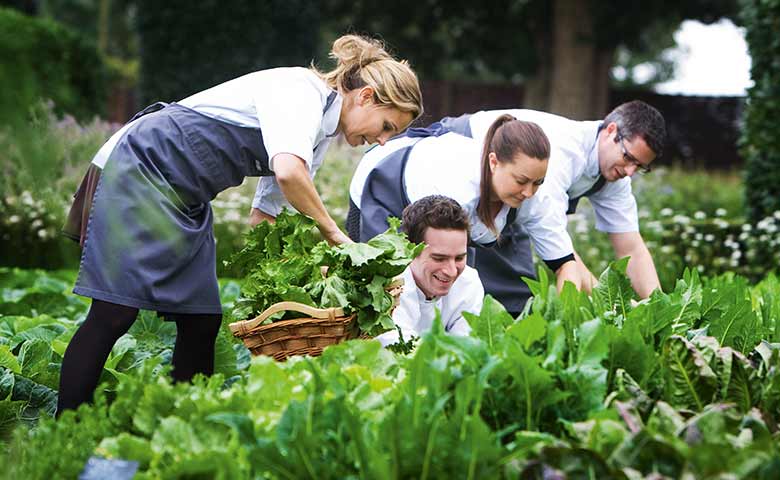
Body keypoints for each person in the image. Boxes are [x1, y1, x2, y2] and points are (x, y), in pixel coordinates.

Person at [56, 34, 423, 414]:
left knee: (201, 318)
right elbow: (288, 173)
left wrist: (322, 275)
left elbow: (265, 218)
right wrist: (333, 233)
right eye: (386, 127)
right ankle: (64, 429)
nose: (381, 142)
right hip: (143, 165)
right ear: (365, 97)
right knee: (114, 312)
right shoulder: (301, 92)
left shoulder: (318, 137)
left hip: (187, 198)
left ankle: (187, 427)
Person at [438, 101, 666, 297]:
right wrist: (616, 305)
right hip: (452, 153)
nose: (630, 172)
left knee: (516, 294)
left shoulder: (616, 175)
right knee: (454, 278)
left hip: (510, 199)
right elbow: (557, 246)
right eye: (628, 158)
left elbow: (631, 248)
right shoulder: (561, 155)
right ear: (611, 131)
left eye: (640, 166)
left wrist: (660, 309)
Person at [352, 114, 550, 316]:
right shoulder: (458, 186)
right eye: (521, 181)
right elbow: (441, 262)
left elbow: (557, 247)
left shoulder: (528, 188)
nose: (529, 192)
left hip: (431, 200)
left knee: (455, 281)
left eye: (537, 183)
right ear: (493, 162)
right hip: (384, 181)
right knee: (391, 287)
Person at [377, 195, 484, 347]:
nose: (452, 271)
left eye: (459, 258)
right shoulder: (390, 288)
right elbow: (400, 348)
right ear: (411, 251)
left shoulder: (469, 282)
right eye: (439, 258)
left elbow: (466, 347)